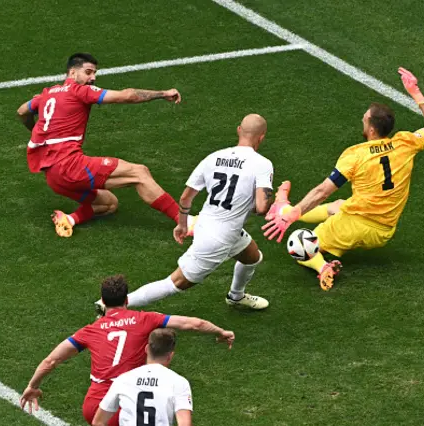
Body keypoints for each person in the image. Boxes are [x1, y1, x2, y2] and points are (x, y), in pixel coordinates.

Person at [263, 68, 424, 290]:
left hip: (360, 225)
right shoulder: (405, 143)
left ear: (371, 128)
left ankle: (323, 267)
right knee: (338, 206)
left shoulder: (355, 155)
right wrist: (415, 92)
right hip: (384, 225)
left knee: (301, 244)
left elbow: (322, 191)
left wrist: (293, 217)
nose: (362, 119)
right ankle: (282, 208)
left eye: (365, 118)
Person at [19, 275, 234, 425]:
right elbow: (192, 324)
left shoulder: (89, 331)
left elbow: (51, 361)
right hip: (126, 403)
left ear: (103, 302)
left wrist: (32, 386)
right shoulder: (145, 319)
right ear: (127, 300)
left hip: (95, 405)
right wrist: (220, 331)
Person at [17, 52, 186, 237]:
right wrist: (162, 93)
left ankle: (69, 219)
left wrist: (36, 131)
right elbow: (127, 96)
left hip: (54, 178)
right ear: (72, 73)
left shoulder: (46, 94)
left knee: (108, 203)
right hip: (70, 167)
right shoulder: (79, 91)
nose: (93, 78)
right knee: (139, 173)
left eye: (95, 73)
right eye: (88, 72)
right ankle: (186, 223)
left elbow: (22, 111)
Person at [120, 114, 274, 311]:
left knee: (252, 256)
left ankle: (236, 296)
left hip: (207, 223)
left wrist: (182, 223)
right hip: (218, 238)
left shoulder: (213, 158)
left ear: (238, 130)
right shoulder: (262, 164)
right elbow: (261, 208)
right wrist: (275, 200)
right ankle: (114, 304)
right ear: (261, 137)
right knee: (174, 283)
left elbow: (185, 198)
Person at [93, 329, 193, 426]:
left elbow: (98, 422)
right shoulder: (179, 382)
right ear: (170, 355)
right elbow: (185, 423)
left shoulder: (123, 379)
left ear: (146, 349)